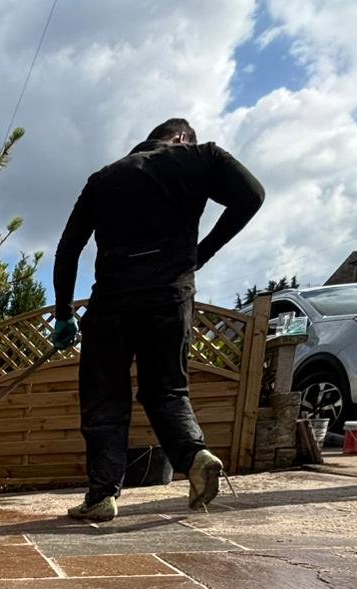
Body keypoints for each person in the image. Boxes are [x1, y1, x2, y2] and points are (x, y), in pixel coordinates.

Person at [50, 117, 265, 522]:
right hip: (170, 296)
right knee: (166, 390)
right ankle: (195, 456)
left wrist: (63, 314)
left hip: (111, 302)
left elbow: (68, 249)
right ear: (182, 138)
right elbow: (252, 195)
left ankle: (101, 496)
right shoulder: (201, 157)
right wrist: (202, 253)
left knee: (103, 398)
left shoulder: (104, 178)